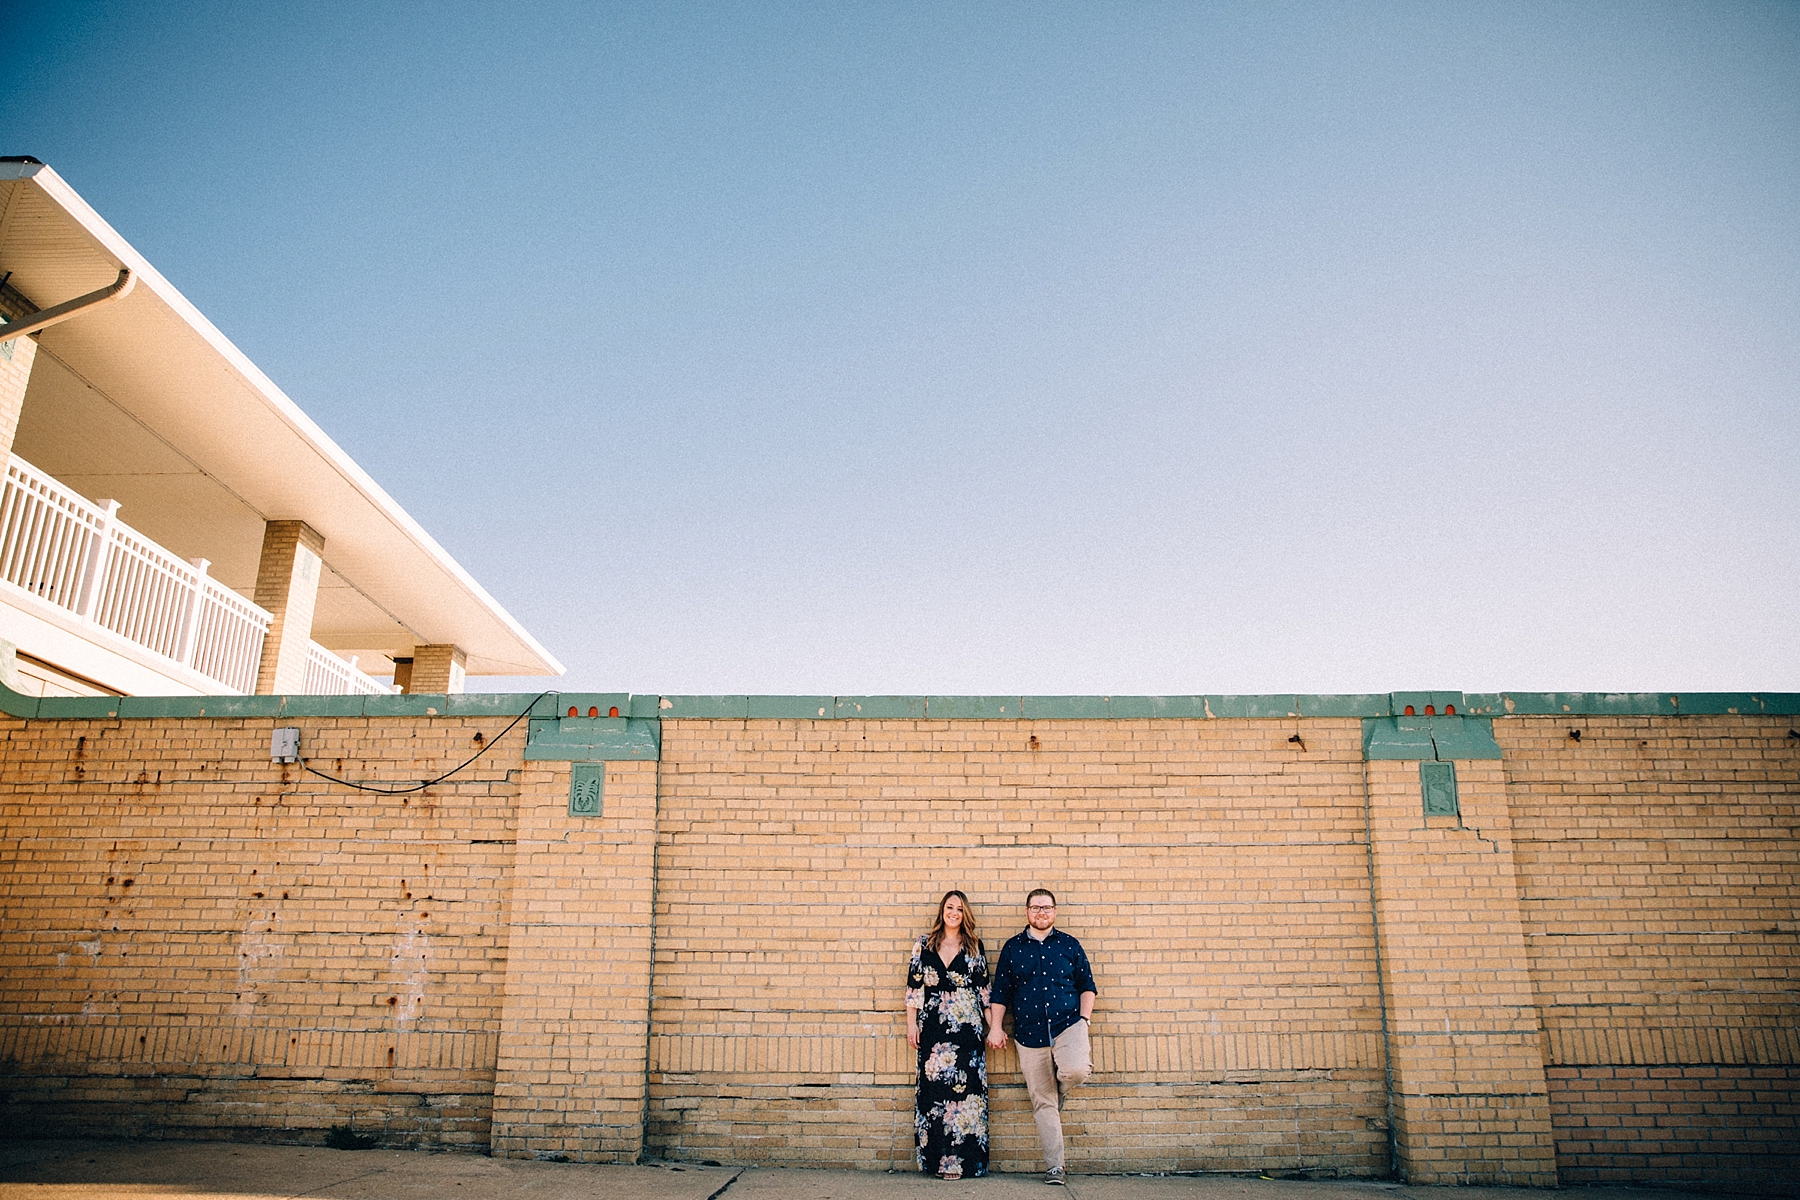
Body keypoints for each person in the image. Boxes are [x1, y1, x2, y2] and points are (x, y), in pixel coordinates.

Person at [986, 888, 1095, 1186]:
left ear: (1055, 912)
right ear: (1027, 912)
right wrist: (996, 1027)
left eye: (1046, 908)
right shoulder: (1012, 948)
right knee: (1043, 1103)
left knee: (1075, 1071)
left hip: (1068, 1024)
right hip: (1029, 1033)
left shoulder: (1069, 945)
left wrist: (1084, 1020)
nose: (1041, 913)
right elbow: (1001, 993)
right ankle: (1055, 1167)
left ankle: (1056, 1091)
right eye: (1035, 908)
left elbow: (1087, 985)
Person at [905, 889, 990, 1180]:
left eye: (959, 909)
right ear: (942, 910)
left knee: (967, 1099)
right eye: (950, 907)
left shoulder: (975, 946)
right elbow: (914, 990)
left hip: (967, 1030)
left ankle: (966, 1164)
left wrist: (994, 1028)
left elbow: (984, 992)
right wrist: (911, 1025)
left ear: (965, 914)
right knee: (936, 1097)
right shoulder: (923, 944)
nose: (954, 912)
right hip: (932, 1028)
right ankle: (938, 1163)